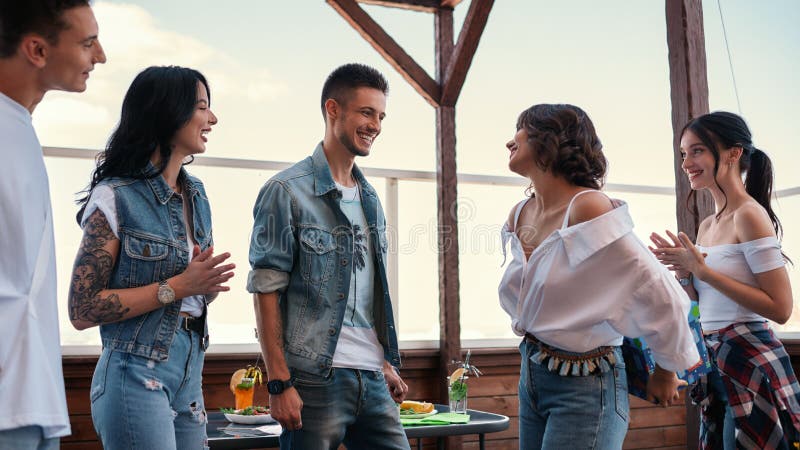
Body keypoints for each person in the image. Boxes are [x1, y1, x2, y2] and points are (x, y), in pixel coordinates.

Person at [498, 104, 702, 449]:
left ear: (548, 140)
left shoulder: (587, 207)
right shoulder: (521, 212)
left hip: (586, 385)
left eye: (520, 129)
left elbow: (657, 288)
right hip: (531, 373)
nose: (509, 142)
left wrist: (667, 369)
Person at [67, 65, 235, 450]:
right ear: (167, 112)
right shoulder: (115, 196)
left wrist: (202, 286)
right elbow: (82, 309)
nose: (212, 118)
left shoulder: (198, 195)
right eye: (202, 107)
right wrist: (179, 286)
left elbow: (190, 296)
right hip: (134, 374)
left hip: (190, 373)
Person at [248, 63, 409, 450]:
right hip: (314, 378)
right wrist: (279, 382)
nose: (376, 125)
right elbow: (265, 290)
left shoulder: (371, 199)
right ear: (333, 109)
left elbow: (366, 292)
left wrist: (383, 362)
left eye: (381, 116)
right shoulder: (286, 191)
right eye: (367, 112)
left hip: (371, 376)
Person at [650, 111, 800, 449]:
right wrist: (686, 275)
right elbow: (703, 307)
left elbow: (781, 308)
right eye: (684, 153)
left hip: (749, 359)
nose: (687, 162)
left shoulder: (749, 214)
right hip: (714, 363)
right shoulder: (707, 225)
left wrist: (702, 270)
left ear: (733, 154)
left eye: (698, 150)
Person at [0, 1, 106, 448]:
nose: (100, 56)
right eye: (87, 43)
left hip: (31, 394)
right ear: (37, 50)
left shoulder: (20, 129)